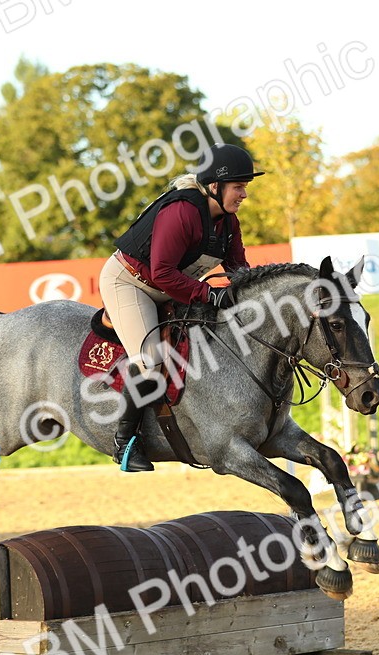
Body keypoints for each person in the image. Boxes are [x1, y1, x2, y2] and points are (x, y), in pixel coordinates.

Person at [99, 143, 264, 472]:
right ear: (215, 186)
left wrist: (256, 296)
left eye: (245, 186)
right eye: (238, 186)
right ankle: (125, 442)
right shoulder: (182, 212)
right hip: (131, 283)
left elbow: (238, 270)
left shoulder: (228, 222)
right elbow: (162, 272)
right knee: (150, 361)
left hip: (171, 288)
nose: (244, 194)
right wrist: (208, 294)